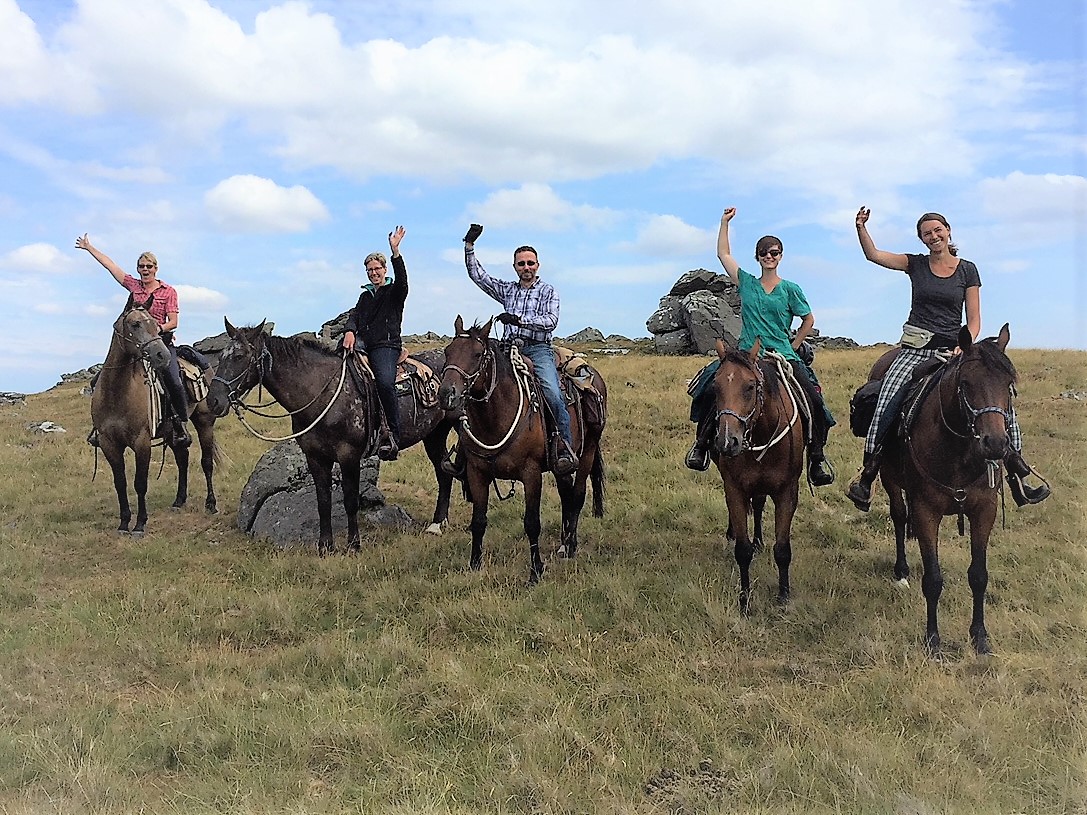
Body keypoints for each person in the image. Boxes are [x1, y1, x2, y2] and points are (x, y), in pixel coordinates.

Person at [847, 207, 1050, 510]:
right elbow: (874, 255)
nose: (933, 236)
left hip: (954, 348)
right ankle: (869, 471)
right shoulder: (915, 264)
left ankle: (1018, 473)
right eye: (927, 233)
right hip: (915, 350)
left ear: (948, 231)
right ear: (921, 239)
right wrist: (861, 228)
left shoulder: (967, 269)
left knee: (996, 398)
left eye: (937, 230)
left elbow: (974, 318)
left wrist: (963, 346)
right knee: (889, 397)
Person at [685, 207, 835, 486]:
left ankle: (816, 457)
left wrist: (794, 345)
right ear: (757, 257)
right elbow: (723, 254)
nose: (769, 256)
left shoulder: (791, 289)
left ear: (781, 256)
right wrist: (724, 223)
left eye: (774, 252)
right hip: (746, 355)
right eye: (764, 252)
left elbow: (808, 319)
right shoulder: (746, 283)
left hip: (782, 356)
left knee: (814, 399)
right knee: (709, 386)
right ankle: (702, 444)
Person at [461, 223, 578, 477]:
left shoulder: (548, 291)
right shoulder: (508, 290)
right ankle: (464, 451)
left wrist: (520, 320)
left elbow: (551, 321)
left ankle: (564, 448)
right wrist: (469, 246)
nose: (526, 267)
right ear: (515, 267)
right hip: (506, 349)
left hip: (538, 349)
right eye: (521, 263)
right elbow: (479, 277)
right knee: (473, 386)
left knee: (553, 393)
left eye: (530, 263)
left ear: (537, 265)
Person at [76, 234, 193, 448]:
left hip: (159, 344)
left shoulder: (168, 292)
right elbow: (111, 266)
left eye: (149, 266)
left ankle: (179, 425)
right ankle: (100, 427)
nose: (145, 270)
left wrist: (158, 328)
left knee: (174, 381)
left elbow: (174, 321)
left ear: (156, 268)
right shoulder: (134, 286)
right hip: (134, 345)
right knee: (98, 381)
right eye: (141, 266)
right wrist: (89, 248)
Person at [342, 226, 409, 461]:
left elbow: (403, 282)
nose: (373, 273)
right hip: (364, 344)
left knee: (384, 382)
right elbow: (355, 315)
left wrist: (395, 251)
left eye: (377, 269)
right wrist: (350, 331)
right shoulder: (365, 296)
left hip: (385, 346)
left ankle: (393, 434)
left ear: (384, 269)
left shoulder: (394, 291)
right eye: (369, 270)